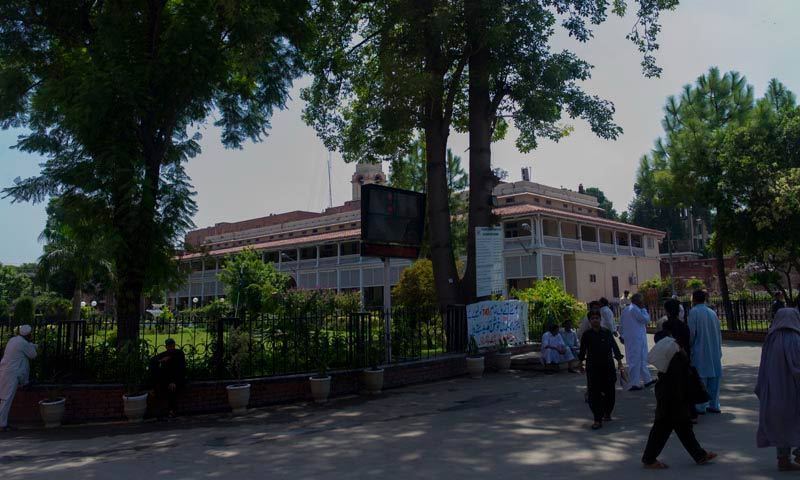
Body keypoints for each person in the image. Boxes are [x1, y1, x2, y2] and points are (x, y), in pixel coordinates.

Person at [642, 336, 717, 469]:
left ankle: (699, 455)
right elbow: (680, 382)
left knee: (682, 429)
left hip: (671, 400)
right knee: (665, 429)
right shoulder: (677, 359)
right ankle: (649, 459)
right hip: (673, 401)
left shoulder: (671, 359)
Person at [755, 308, 800, 472]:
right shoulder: (795, 339)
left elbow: (763, 367)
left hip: (773, 392)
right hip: (792, 393)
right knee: (795, 422)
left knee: (781, 425)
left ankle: (783, 460)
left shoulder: (770, 339)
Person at [579, 310, 624, 430]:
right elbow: (582, 350)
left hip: (608, 366)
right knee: (594, 394)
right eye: (592, 318)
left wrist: (619, 362)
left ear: (600, 319)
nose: (595, 320)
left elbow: (614, 347)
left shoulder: (607, 333)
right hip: (593, 367)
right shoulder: (587, 335)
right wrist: (580, 363)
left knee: (610, 392)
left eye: (597, 318)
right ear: (589, 321)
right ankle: (597, 419)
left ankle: (607, 413)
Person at [688, 290, 723, 414]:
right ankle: (714, 404)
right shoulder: (712, 312)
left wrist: (689, 346)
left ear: (694, 299)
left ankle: (700, 406)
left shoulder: (694, 312)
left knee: (701, 377)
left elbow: (691, 333)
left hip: (700, 349)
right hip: (714, 348)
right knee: (714, 377)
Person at [0, 325, 37, 431]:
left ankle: (2, 423)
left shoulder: (13, 340)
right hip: (11, 374)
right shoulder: (23, 343)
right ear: (28, 335)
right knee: (6, 398)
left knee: (3, 397)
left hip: (5, 371)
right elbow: (33, 355)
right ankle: (2, 424)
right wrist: (33, 346)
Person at [620, 293, 656, 391]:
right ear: (637, 301)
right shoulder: (635, 309)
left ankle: (647, 379)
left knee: (641, 359)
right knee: (635, 360)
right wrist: (644, 309)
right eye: (642, 300)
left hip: (635, 338)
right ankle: (634, 383)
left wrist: (622, 335)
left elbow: (621, 324)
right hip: (636, 339)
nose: (643, 302)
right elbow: (646, 319)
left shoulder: (626, 309)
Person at [150, 338, 186, 418]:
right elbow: (153, 360)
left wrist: (174, 382)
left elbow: (181, 370)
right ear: (166, 347)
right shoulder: (165, 354)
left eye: (172, 346)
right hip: (167, 380)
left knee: (172, 389)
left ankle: (172, 410)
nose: (171, 348)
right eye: (169, 346)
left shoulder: (179, 354)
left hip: (177, 380)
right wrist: (161, 360)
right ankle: (159, 411)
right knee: (159, 388)